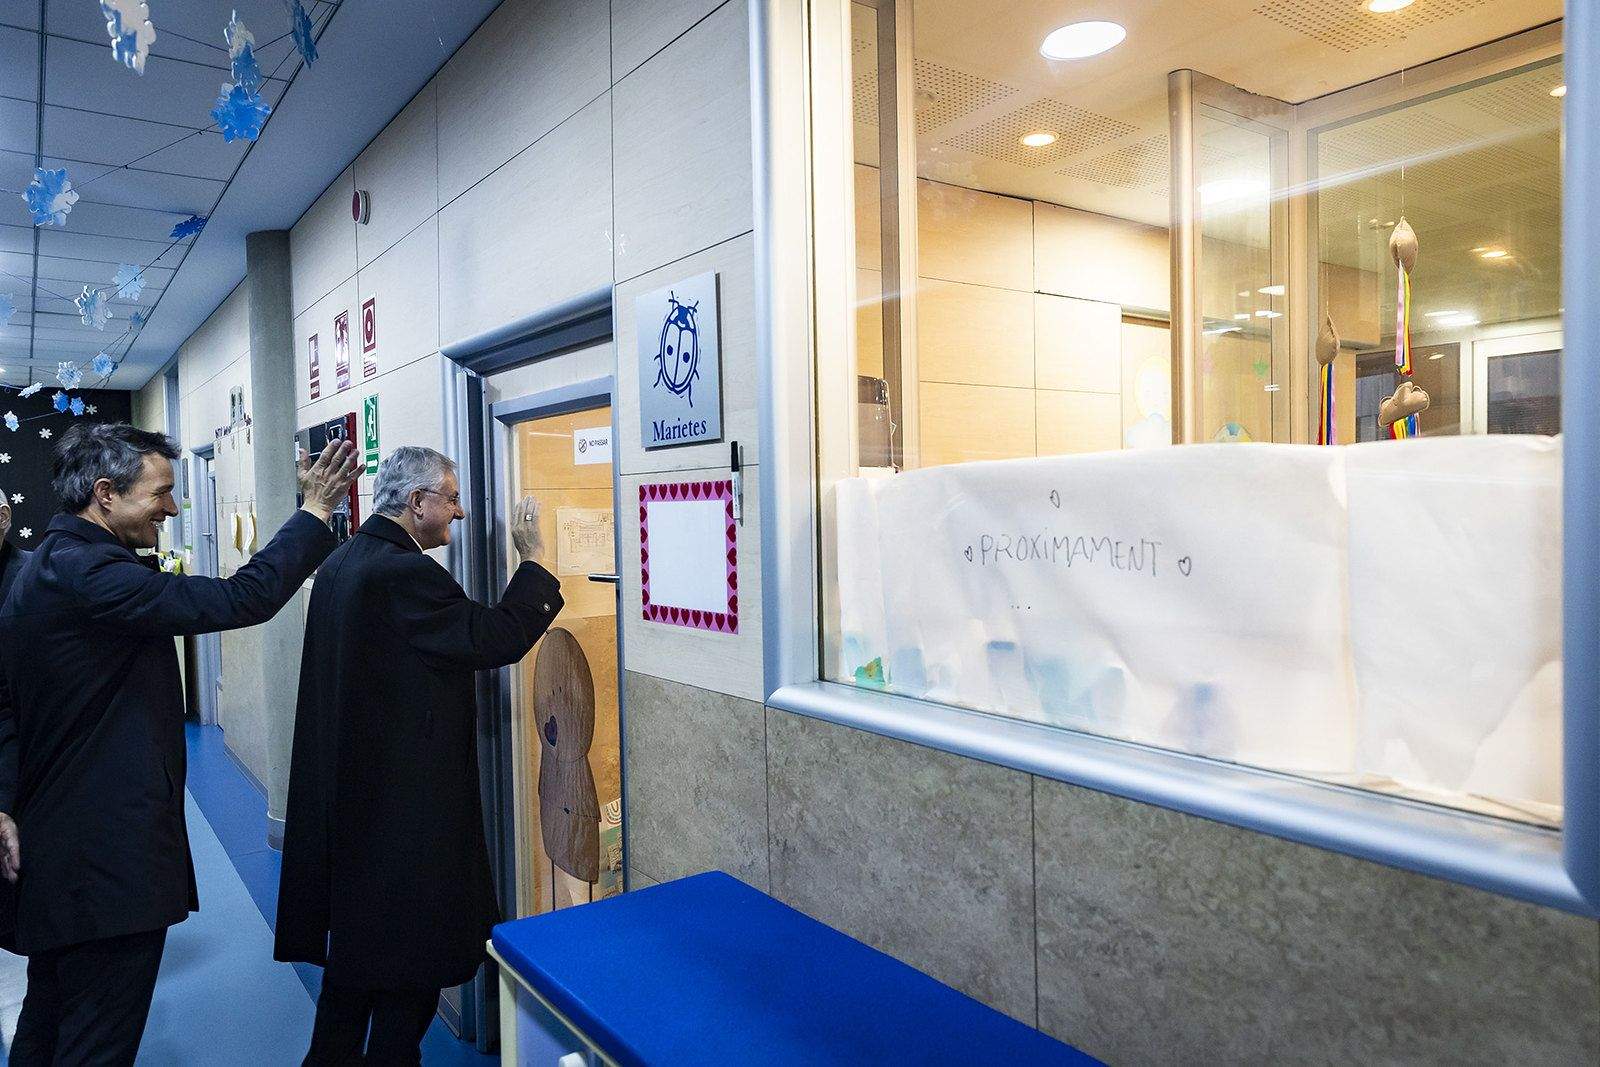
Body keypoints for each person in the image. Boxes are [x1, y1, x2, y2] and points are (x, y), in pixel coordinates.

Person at [0, 423, 360, 1066]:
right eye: (161, 493)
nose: (171, 508)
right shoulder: (92, 576)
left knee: (49, 1016)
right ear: (105, 495)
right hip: (104, 865)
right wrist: (315, 511)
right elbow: (244, 597)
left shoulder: (47, 566)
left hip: (61, 851)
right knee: (96, 1041)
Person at [276, 446, 562, 1066]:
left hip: (354, 806)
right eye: (452, 500)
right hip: (403, 816)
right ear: (417, 503)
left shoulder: (343, 562)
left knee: (351, 976)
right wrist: (533, 560)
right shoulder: (404, 573)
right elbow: (495, 638)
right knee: (411, 973)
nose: (459, 514)